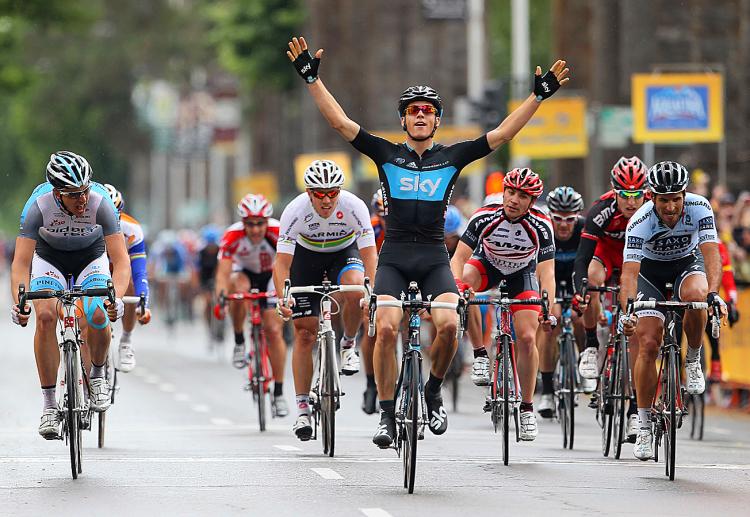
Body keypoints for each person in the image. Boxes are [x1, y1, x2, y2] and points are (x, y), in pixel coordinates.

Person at [287, 35, 569, 447]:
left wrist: (537, 97)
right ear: (403, 120)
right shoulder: (386, 154)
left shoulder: (451, 158)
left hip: (436, 257)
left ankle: (433, 391)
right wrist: (311, 79)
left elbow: (503, 134)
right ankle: (386, 414)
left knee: (451, 326)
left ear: (437, 120)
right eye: (413, 111)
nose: (421, 115)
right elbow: (341, 124)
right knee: (385, 329)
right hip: (395, 258)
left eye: (429, 111)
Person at [10, 151, 130, 439]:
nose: (83, 200)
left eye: (85, 191)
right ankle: (50, 406)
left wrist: (118, 298)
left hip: (91, 256)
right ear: (57, 193)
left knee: (98, 312)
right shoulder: (37, 205)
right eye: (74, 194)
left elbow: (121, 260)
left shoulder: (101, 202)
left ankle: (98, 374)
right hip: (49, 258)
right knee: (47, 316)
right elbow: (21, 264)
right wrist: (20, 303)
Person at [620, 161, 725, 460]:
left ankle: (691, 359)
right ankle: (642, 424)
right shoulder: (639, 221)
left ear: (684, 194)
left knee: (697, 295)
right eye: (664, 200)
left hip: (685, 264)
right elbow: (629, 273)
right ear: (652, 196)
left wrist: (714, 294)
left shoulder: (700, 207)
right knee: (649, 343)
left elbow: (711, 255)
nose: (670, 206)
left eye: (676, 198)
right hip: (649, 273)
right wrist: (628, 310)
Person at [274, 160, 377, 440]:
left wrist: (372, 291)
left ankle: (348, 345)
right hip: (305, 259)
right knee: (305, 334)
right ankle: (303, 409)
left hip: (343, 254)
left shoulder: (354, 206)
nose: (327, 199)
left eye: (333, 192)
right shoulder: (295, 211)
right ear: (309, 193)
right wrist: (282, 296)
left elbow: (370, 255)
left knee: (355, 290)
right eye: (320, 194)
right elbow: (282, 262)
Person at [451, 169, 556, 440]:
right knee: (466, 285)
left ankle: (527, 408)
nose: (514, 200)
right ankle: (480, 356)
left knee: (528, 337)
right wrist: (458, 286)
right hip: (488, 265)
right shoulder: (485, 216)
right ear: (504, 192)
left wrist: (547, 307)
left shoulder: (541, 225)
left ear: (532, 202)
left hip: (522, 274)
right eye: (511, 192)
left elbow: (547, 274)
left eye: (523, 196)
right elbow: (459, 257)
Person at [573, 156, 647, 437]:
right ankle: (591, 344)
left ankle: (634, 412)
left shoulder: (652, 210)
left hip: (637, 261)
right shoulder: (601, 210)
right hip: (607, 257)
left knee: (637, 339)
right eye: (625, 194)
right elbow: (582, 257)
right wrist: (582, 288)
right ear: (614, 191)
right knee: (592, 278)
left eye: (637, 194)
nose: (631, 201)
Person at [213, 194, 288, 416]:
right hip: (244, 274)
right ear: (242, 223)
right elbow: (223, 274)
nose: (255, 230)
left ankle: (279, 392)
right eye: (250, 225)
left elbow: (289, 265)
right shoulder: (232, 235)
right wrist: (221, 299)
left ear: (268, 221)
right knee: (237, 288)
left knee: (274, 331)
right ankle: (239, 340)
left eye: (260, 224)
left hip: (271, 276)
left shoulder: (279, 231)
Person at [537, 186, 587, 418]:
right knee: (551, 324)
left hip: (577, 280)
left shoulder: (585, 229)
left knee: (580, 318)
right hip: (551, 281)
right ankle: (547, 391)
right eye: (558, 219)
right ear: (550, 216)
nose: (564, 225)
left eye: (570, 219)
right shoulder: (542, 229)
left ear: (578, 216)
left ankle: (586, 364)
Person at [103, 183, 152, 373]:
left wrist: (143, 303)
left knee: (129, 282)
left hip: (118, 269)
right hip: (93, 267)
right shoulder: (84, 225)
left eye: (114, 216)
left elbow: (140, 271)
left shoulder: (131, 229)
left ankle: (126, 340)